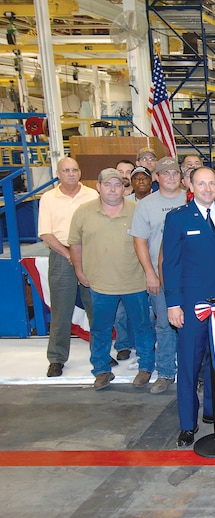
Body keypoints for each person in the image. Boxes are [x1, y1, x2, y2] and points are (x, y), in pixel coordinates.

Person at [162, 166, 215, 447]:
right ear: (190, 186)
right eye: (201, 183)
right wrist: (173, 304)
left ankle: (214, 410)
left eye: (211, 183)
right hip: (191, 306)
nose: (208, 188)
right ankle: (187, 423)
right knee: (189, 364)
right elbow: (170, 264)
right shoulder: (178, 219)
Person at [69, 168, 156, 390]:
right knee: (100, 329)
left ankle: (146, 367)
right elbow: (75, 244)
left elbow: (147, 244)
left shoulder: (137, 210)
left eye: (117, 185)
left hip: (134, 282)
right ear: (98, 187)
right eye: (107, 185)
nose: (112, 189)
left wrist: (149, 274)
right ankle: (101, 370)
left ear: (124, 188)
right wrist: (79, 271)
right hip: (100, 284)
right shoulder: (83, 212)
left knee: (143, 327)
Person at [130, 156, 186, 394]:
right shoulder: (146, 205)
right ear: (157, 177)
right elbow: (140, 242)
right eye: (166, 173)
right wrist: (150, 274)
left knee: (192, 326)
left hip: (191, 276)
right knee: (164, 325)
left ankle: (193, 372)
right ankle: (165, 372)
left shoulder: (192, 198)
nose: (171, 177)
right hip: (162, 277)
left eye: (175, 173)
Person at [38, 157, 98, 377]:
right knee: (61, 310)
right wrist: (69, 255)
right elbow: (45, 232)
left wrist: (82, 255)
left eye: (74, 170)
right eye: (66, 170)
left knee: (95, 307)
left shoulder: (92, 195)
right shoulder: (48, 198)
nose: (71, 174)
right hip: (61, 255)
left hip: (89, 255)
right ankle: (56, 358)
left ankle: (99, 353)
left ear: (80, 173)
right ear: (58, 173)